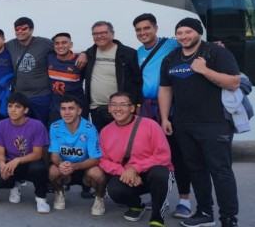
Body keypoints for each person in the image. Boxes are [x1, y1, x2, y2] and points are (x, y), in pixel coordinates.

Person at [159, 18, 241, 227]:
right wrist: (165, 118)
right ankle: (205, 212)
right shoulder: (171, 58)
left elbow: (234, 82)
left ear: (198, 32)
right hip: (183, 124)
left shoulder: (215, 52)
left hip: (215, 123)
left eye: (188, 32)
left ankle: (229, 219)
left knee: (220, 171)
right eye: (180, 33)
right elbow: (165, 89)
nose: (184, 36)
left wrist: (204, 70)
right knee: (195, 169)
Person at [132, 13, 193, 219]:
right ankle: (158, 195)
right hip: (149, 110)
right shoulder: (139, 51)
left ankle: (184, 200)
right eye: (139, 30)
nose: (143, 33)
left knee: (177, 155)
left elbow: (194, 45)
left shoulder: (171, 44)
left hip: (172, 108)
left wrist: (216, 46)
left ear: (156, 28)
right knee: (154, 156)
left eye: (146, 28)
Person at [100, 92, 173, 227]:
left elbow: (163, 156)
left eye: (123, 105)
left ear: (132, 108)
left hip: (151, 171)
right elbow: (103, 160)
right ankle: (136, 205)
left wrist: (135, 168)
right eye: (114, 105)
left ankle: (157, 217)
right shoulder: (105, 131)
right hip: (126, 173)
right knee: (114, 190)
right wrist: (122, 171)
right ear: (109, 108)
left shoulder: (150, 125)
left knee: (160, 173)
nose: (118, 109)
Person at [5, 17, 86, 126]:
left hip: (41, 96)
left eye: (24, 28)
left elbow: (61, 48)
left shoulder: (43, 43)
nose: (20, 31)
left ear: (31, 30)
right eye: (17, 29)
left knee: (42, 126)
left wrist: (84, 53)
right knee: (23, 127)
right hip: (21, 96)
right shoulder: (11, 44)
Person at [0, 92, 50, 214]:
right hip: (10, 163)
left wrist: (17, 160)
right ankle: (14, 186)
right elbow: (1, 153)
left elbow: (37, 154)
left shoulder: (37, 125)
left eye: (17, 106)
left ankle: (41, 198)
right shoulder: (0, 126)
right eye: (10, 106)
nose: (13, 110)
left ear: (26, 110)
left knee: (38, 168)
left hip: (30, 162)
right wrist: (2, 165)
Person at [48, 96, 106, 215]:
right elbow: (54, 154)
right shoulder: (55, 127)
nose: (67, 112)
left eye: (71, 108)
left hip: (84, 167)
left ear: (79, 111)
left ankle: (99, 198)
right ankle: (59, 192)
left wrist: (75, 166)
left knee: (98, 174)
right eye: (63, 109)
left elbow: (95, 159)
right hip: (65, 167)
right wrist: (60, 164)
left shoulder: (89, 129)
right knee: (53, 171)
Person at [83, 21, 142, 133]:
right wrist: (83, 53)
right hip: (96, 109)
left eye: (103, 32)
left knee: (122, 140)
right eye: (95, 34)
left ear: (112, 34)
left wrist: (138, 104)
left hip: (120, 108)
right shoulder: (89, 54)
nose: (99, 36)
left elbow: (137, 81)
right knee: (101, 141)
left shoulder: (128, 53)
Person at [47, 33, 85, 124]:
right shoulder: (49, 57)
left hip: (74, 110)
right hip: (55, 109)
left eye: (64, 43)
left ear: (71, 45)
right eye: (57, 43)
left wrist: (85, 54)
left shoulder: (80, 61)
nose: (60, 46)